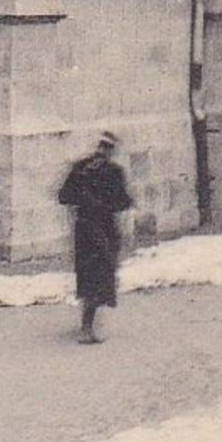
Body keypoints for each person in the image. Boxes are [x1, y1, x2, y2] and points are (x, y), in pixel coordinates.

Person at [58, 130, 134, 344]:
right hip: (90, 230)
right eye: (102, 148)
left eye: (106, 149)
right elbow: (64, 196)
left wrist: (99, 203)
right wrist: (86, 199)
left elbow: (124, 202)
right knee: (93, 276)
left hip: (101, 230)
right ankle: (87, 326)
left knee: (99, 276)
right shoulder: (83, 169)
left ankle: (92, 325)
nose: (103, 152)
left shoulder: (111, 172)